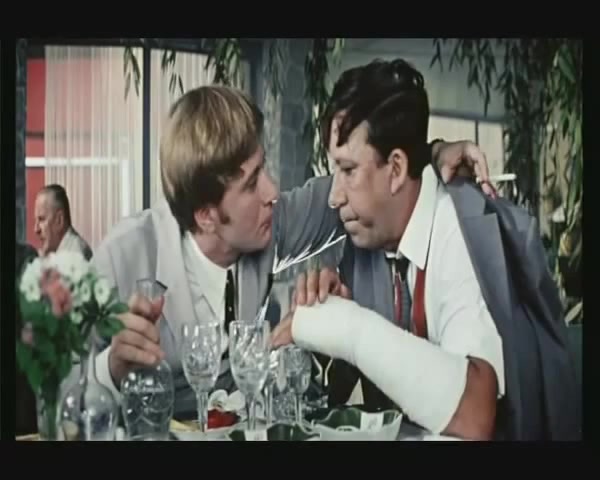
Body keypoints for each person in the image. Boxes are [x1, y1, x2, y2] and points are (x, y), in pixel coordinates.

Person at [65, 84, 492, 417]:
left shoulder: (267, 225)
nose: (272, 191)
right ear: (207, 216)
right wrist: (110, 369)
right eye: (251, 183)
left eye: (263, 167)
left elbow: (367, 182)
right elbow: (58, 400)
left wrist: (430, 154)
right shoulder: (123, 256)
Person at [271, 59, 505, 441]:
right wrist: (331, 333)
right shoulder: (368, 236)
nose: (334, 196)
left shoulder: (459, 230)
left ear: (396, 169)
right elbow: (364, 402)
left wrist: (347, 327)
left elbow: (475, 414)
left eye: (348, 170)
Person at [34, 184, 93, 260]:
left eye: (41, 219)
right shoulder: (57, 253)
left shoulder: (75, 255)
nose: (36, 229)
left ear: (59, 220)